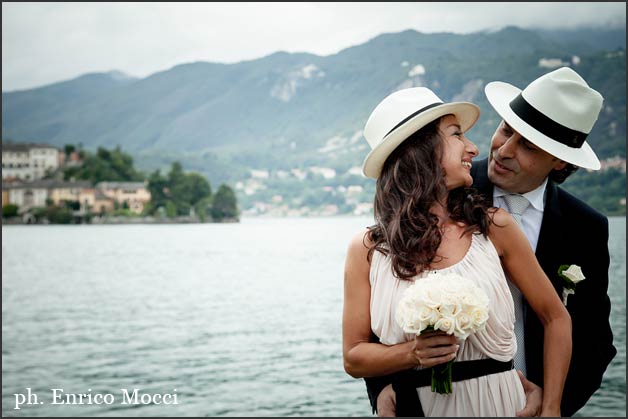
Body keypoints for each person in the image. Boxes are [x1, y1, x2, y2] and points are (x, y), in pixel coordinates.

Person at [368, 67, 617, 417]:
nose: (504, 150)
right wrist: (383, 388)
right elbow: (385, 301)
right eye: (505, 130)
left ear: (559, 159)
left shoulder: (586, 227)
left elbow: (594, 342)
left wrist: (551, 406)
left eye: (527, 145)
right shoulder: (443, 188)